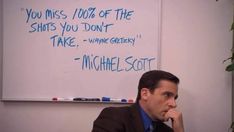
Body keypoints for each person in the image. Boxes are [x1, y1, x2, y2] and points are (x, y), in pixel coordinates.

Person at [92, 70, 184, 132]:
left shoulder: (167, 130)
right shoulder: (114, 117)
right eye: (167, 95)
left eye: (175, 98)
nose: (174, 104)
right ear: (145, 94)